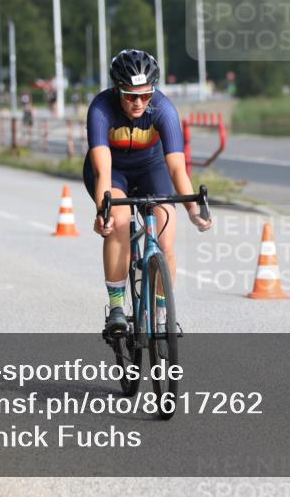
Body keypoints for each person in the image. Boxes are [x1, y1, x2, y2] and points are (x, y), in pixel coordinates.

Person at [84, 49, 212, 338]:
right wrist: (102, 212)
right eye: (131, 96)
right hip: (113, 171)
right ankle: (116, 308)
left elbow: (177, 168)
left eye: (146, 95)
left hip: (151, 168)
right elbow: (103, 172)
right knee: (119, 219)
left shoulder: (164, 109)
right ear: (117, 90)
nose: (139, 102)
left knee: (166, 238)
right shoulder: (101, 109)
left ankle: (162, 315)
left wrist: (194, 210)